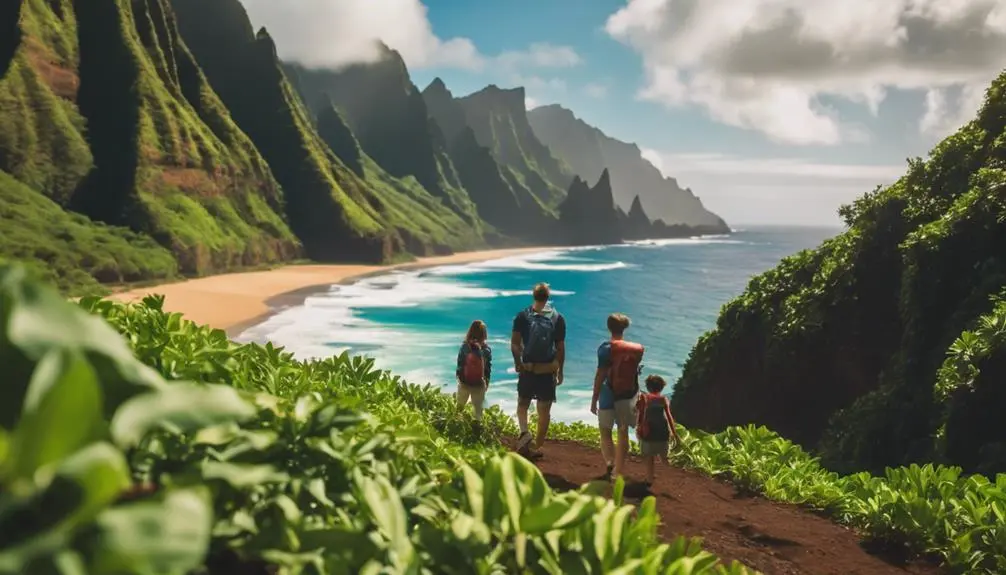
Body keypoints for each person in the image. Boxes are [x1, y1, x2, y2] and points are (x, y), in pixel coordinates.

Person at [512, 282, 566, 456]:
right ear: (548, 297)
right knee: (544, 411)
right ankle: (536, 447)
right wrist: (560, 370)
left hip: (528, 368)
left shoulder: (523, 315)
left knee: (522, 404)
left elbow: (514, 344)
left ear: (534, 295)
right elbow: (560, 348)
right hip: (547, 370)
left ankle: (524, 432)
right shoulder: (557, 318)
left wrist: (518, 362)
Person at [591, 313, 644, 479]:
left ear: (608, 327)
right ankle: (618, 471)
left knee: (605, 431)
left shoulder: (605, 349)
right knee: (623, 432)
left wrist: (594, 398)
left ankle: (610, 463)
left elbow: (600, 375)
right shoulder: (637, 349)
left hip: (608, 394)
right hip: (628, 395)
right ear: (625, 328)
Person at [635, 374, 681, 486]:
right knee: (664, 458)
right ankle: (672, 478)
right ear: (661, 387)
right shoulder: (663, 399)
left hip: (649, 431)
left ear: (648, 387)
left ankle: (649, 479)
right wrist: (674, 433)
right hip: (663, 431)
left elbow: (640, 415)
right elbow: (669, 417)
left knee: (649, 457)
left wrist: (638, 428)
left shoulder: (644, 398)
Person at [456, 319, 492, 431]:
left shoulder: (465, 346)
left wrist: (459, 377)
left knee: (459, 407)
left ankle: (455, 427)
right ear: (484, 334)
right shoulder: (486, 349)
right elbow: (487, 368)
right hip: (479, 383)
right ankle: (476, 433)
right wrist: (486, 381)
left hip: (464, 382)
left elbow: (460, 363)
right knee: (477, 411)